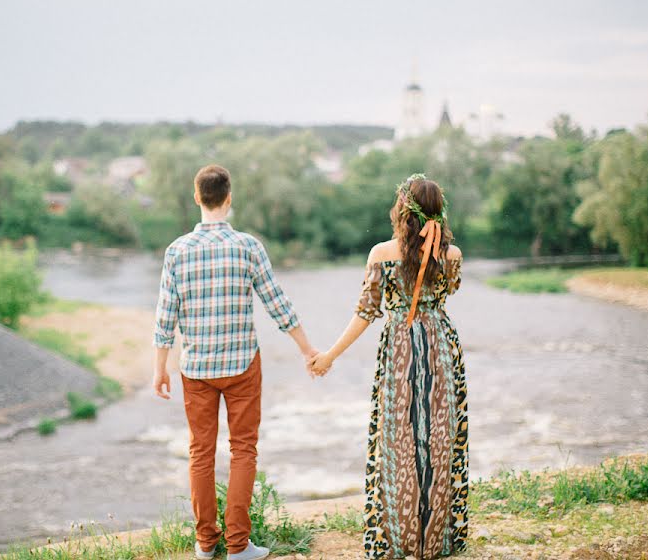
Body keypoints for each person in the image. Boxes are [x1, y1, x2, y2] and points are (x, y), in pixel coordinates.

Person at [152, 164, 318, 560]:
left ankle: (207, 544)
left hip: (195, 370)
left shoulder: (177, 251)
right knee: (243, 449)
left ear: (197, 198)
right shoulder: (248, 247)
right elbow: (278, 305)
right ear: (229, 199)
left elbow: (165, 316)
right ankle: (239, 545)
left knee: (200, 452)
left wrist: (159, 368)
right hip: (242, 366)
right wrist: (307, 350)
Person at [310, 174, 468, 559]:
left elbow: (366, 313)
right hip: (440, 348)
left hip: (399, 348)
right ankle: (436, 541)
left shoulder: (381, 254)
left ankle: (398, 540)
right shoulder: (452, 255)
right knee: (440, 441)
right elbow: (449, 292)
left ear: (402, 210)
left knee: (396, 443)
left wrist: (329, 355)